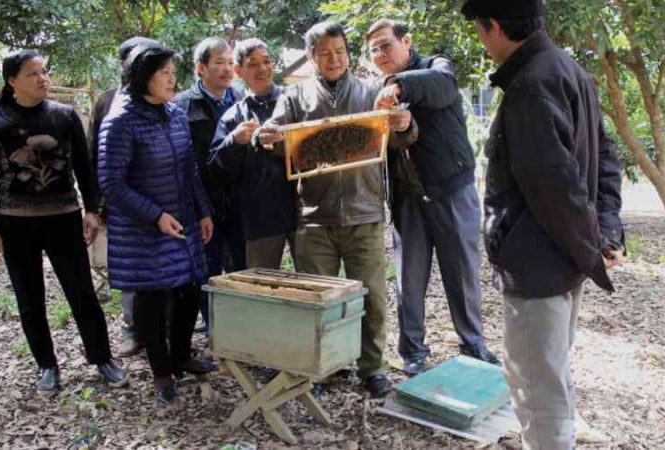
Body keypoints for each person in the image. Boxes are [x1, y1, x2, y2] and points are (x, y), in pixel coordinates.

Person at [460, 1, 626, 447]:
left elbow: (557, 189)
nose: (482, 39)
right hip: (563, 262)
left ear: (493, 26)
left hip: (540, 267)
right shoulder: (569, 70)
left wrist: (594, 245)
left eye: (479, 29)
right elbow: (606, 161)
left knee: (537, 391)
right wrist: (605, 232)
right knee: (551, 375)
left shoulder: (531, 87)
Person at [258, 21, 417, 398]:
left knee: (373, 299)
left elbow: (399, 138)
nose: (334, 59)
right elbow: (277, 137)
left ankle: (372, 368)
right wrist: (269, 138)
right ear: (312, 56)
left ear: (348, 54)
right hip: (316, 217)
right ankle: (321, 369)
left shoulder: (370, 91)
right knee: (316, 302)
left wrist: (404, 124)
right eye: (325, 53)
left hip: (365, 213)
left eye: (340, 51)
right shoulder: (296, 99)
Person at [0, 50, 129, 398]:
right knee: (30, 300)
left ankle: (102, 359)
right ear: (12, 80)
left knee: (82, 294)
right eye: (32, 74)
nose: (43, 79)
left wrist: (92, 209)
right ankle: (47, 365)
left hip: (63, 219)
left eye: (44, 72)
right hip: (15, 224)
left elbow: (84, 169)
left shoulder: (64, 117)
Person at [369, 19, 498, 375]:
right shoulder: (374, 92)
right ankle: (412, 351)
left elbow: (443, 87)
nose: (380, 54)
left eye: (385, 45)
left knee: (462, 273)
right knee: (408, 280)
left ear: (406, 41)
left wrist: (397, 85)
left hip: (451, 188)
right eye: (374, 50)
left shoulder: (435, 67)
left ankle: (473, 346)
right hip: (406, 197)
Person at [98, 43, 216, 404]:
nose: (171, 78)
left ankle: (181, 354)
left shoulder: (174, 113)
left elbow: (190, 168)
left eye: (171, 72)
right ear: (141, 77)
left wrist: (203, 209)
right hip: (143, 230)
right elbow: (111, 183)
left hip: (182, 220)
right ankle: (162, 372)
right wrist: (154, 215)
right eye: (163, 72)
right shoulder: (121, 121)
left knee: (190, 289)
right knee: (151, 298)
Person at [87, 36, 160, 358]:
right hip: (122, 204)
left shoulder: (164, 101)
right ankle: (132, 329)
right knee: (131, 269)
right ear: (124, 64)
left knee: (162, 267)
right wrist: (96, 206)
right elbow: (93, 159)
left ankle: (162, 331)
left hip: (161, 200)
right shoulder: (107, 103)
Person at [175, 38, 245, 334]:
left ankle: (244, 331)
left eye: (230, 62)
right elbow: (184, 163)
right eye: (219, 62)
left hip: (240, 202)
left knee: (243, 269)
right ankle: (214, 331)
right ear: (200, 68)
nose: (227, 69)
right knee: (207, 271)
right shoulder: (181, 106)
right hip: (203, 206)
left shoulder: (242, 100)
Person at [208, 38, 297, 269]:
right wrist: (234, 141)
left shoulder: (295, 101)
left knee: (314, 285)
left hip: (302, 212)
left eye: (266, 61)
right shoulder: (233, 116)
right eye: (253, 64)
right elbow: (215, 169)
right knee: (263, 289)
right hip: (258, 218)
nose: (262, 69)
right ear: (239, 71)